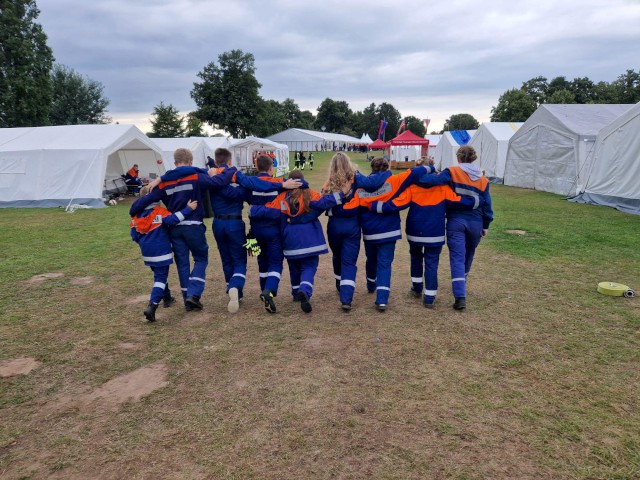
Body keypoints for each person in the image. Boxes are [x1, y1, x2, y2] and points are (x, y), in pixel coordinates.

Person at [154, 148, 302, 313]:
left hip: (218, 224)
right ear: (230, 162)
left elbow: (188, 172)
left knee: (227, 260)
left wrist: (160, 177)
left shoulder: (211, 179)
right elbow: (251, 188)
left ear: (216, 163)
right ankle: (237, 287)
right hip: (237, 224)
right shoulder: (238, 179)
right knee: (241, 260)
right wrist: (281, 184)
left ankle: (232, 293)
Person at [129, 148, 236, 312]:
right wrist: (230, 170)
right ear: (191, 162)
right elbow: (219, 182)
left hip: (174, 227)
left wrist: (133, 209)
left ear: (174, 162)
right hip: (193, 225)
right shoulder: (195, 176)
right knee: (201, 259)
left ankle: (187, 298)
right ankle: (194, 295)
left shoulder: (164, 182)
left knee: (182, 264)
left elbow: (148, 198)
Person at [370, 158, 476, 308]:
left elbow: (397, 204)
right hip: (435, 232)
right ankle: (429, 298)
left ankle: (417, 287)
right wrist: (475, 201)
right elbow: (458, 200)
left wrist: (375, 206)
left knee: (416, 257)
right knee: (432, 263)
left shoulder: (412, 186)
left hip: (415, 230)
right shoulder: (443, 186)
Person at [250, 170, 346, 314]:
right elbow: (325, 202)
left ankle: (296, 292)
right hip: (310, 240)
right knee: (309, 267)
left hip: (290, 240)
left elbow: (267, 210)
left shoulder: (282, 197)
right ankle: (305, 290)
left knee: (294, 266)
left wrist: (253, 210)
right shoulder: (310, 194)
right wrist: (342, 194)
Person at [345, 158, 434, 311]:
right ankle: (382, 300)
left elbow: (354, 206)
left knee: (371, 259)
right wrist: (431, 169)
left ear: (372, 168)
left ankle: (371, 284)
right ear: (386, 168)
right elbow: (413, 173)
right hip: (389, 231)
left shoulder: (360, 184)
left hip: (369, 231)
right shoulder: (395, 180)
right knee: (385, 264)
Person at [416, 145, 493, 310]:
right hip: (476, 222)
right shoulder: (484, 179)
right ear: (474, 158)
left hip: (456, 220)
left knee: (457, 257)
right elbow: (488, 205)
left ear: (458, 158)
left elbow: (429, 181)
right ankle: (462, 282)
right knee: (469, 254)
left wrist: (418, 175)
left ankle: (460, 297)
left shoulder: (452, 172)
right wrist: (486, 225)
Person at [130, 185, 198, 322]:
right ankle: (152, 305)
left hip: (147, 252)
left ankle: (167, 298)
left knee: (159, 274)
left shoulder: (136, 217)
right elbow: (173, 219)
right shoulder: (159, 212)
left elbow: (134, 236)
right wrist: (188, 209)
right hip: (161, 251)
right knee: (160, 279)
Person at [321, 153, 360, 311]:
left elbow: (322, 202)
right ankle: (346, 298)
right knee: (349, 262)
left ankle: (339, 284)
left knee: (337, 256)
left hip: (334, 225)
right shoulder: (356, 180)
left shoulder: (328, 184)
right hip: (352, 225)